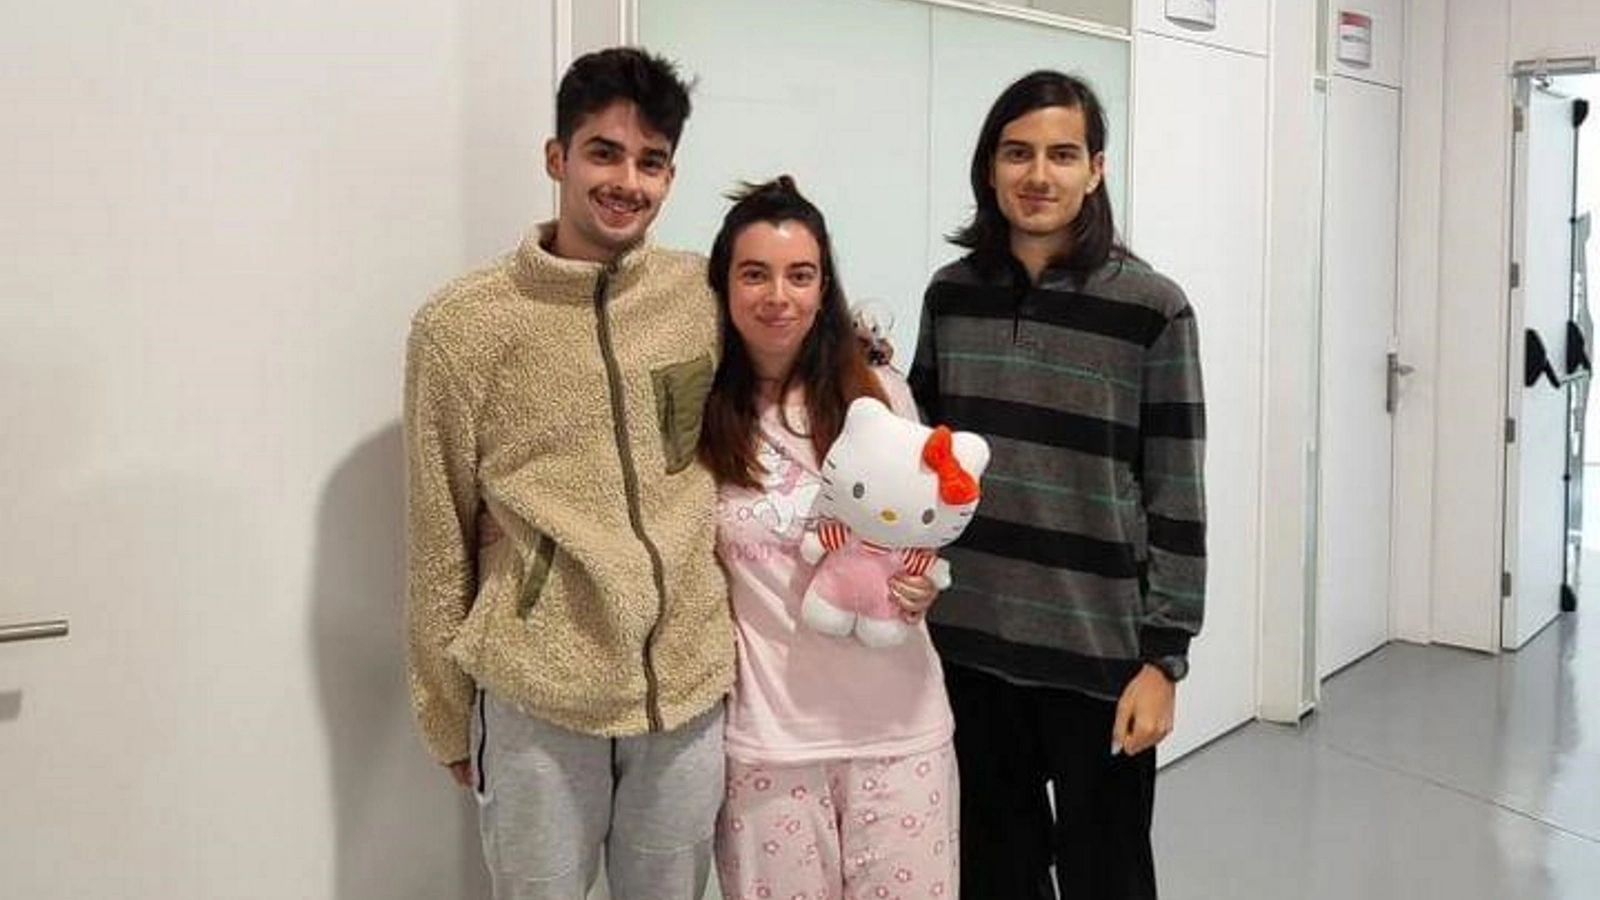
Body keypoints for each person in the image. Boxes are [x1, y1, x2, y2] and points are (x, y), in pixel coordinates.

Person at [402, 47, 733, 900]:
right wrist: (445, 710)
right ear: (557, 157)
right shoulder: (462, 327)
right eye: (604, 152)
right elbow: (439, 532)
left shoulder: (702, 295)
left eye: (650, 161)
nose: (628, 180)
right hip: (538, 696)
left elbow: (796, 354)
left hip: (687, 694)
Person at [909, 71, 1207, 900]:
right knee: (993, 874)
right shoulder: (952, 296)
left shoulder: (1153, 307)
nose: (1038, 175)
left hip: (1099, 659)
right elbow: (922, 454)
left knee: (1106, 875)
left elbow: (1176, 488)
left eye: (1061, 154)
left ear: (1096, 169)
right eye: (1018, 153)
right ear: (990, 167)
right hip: (970, 647)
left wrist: (1164, 660)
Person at [699, 177, 960, 900]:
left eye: (799, 274)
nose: (777, 295)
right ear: (723, 285)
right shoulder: (701, 411)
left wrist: (922, 586)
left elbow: (925, 533)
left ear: (824, 286)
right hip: (768, 745)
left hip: (899, 730)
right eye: (754, 274)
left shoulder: (879, 395)